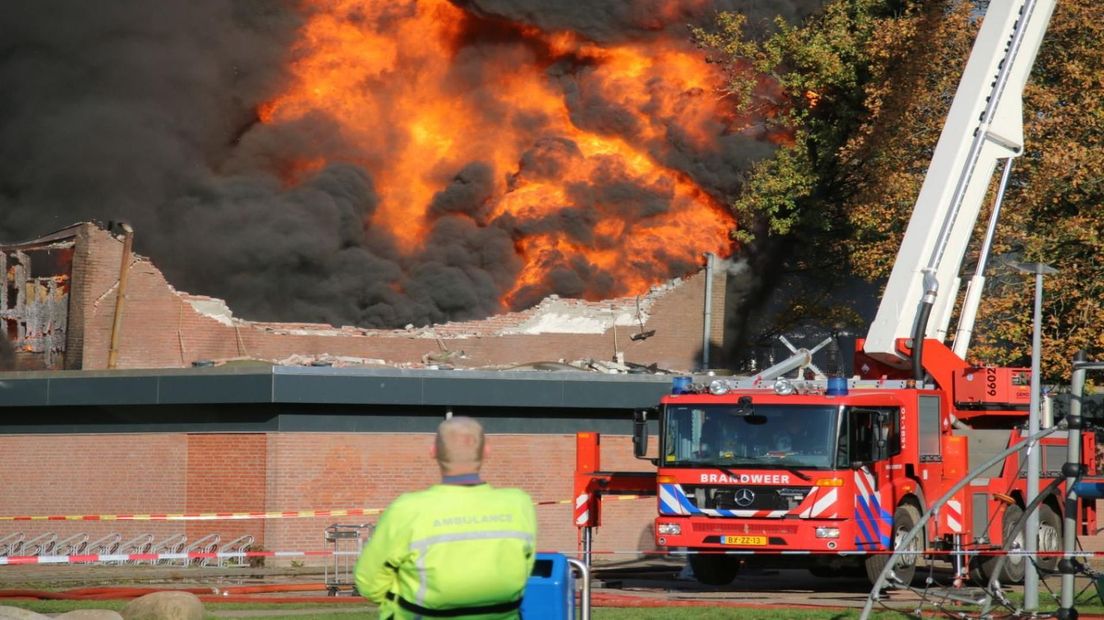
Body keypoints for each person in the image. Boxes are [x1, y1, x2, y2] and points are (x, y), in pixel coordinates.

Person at [354, 416, 537, 619]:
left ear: (433, 451)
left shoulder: (408, 509)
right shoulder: (519, 504)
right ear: (487, 451)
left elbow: (369, 582)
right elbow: (525, 567)